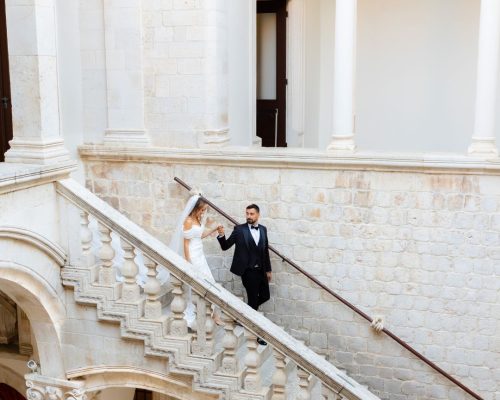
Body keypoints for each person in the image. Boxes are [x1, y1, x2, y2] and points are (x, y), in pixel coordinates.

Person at [216, 204, 272, 345]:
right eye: (247, 213)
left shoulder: (263, 229)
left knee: (265, 296)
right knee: (253, 300)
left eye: (251, 214)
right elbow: (225, 246)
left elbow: (265, 251)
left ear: (257, 215)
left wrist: (268, 270)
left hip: (261, 270)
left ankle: (243, 314)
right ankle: (256, 334)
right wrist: (222, 235)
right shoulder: (239, 230)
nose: (248, 216)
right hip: (247, 271)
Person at [169, 193, 223, 326]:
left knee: (210, 283)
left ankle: (213, 314)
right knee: (202, 284)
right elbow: (186, 243)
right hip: (193, 256)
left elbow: (200, 235)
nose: (204, 212)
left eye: (205, 210)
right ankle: (207, 314)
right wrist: (189, 263)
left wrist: (213, 229)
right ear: (195, 208)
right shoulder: (188, 221)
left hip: (200, 255)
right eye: (202, 209)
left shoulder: (199, 220)